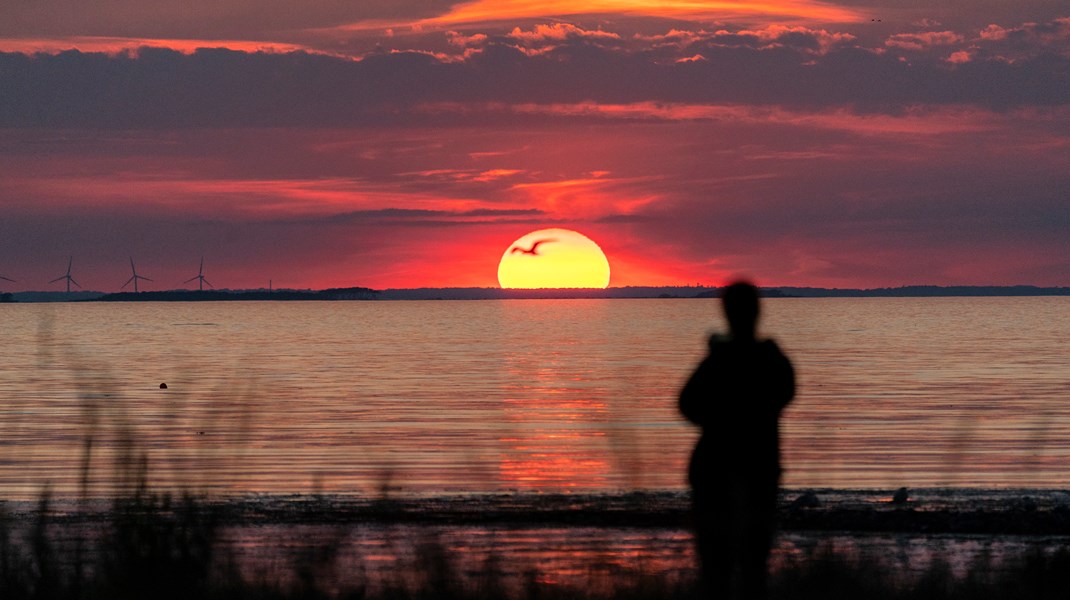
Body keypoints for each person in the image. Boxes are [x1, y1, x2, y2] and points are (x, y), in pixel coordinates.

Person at [679, 281, 795, 600]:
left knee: (720, 564)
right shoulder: (770, 360)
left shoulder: (721, 360)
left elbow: (687, 403)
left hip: (720, 465)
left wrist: (718, 422)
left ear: (726, 312)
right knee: (750, 562)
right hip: (753, 465)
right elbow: (786, 392)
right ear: (758, 311)